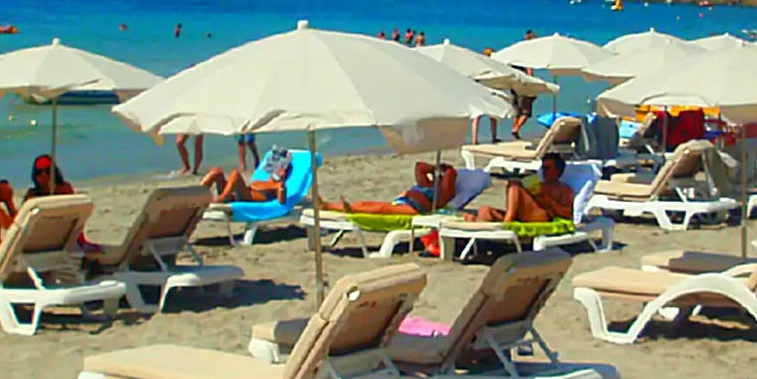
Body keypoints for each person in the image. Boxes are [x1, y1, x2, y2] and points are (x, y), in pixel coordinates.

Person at [318, 160, 458, 216]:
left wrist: (446, 169)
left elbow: (451, 173)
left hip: (416, 209)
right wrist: (435, 167)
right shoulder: (427, 185)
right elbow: (419, 166)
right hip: (405, 201)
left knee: (381, 209)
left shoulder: (443, 194)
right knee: (365, 203)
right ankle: (327, 205)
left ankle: (352, 209)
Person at [467, 152, 576, 224]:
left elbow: (568, 213)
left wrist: (548, 201)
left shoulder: (564, 189)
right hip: (522, 215)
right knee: (484, 210)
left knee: (514, 185)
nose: (544, 171)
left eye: (547, 168)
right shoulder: (538, 183)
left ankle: (507, 222)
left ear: (558, 170)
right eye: (543, 167)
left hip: (541, 216)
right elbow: (516, 194)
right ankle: (484, 223)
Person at [202, 146, 294, 203]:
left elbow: (282, 203)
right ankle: (196, 194)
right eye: (278, 169)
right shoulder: (262, 181)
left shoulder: (277, 186)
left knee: (235, 174)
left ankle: (220, 200)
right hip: (235, 195)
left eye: (283, 171)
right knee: (216, 171)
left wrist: (281, 185)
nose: (279, 171)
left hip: (244, 198)